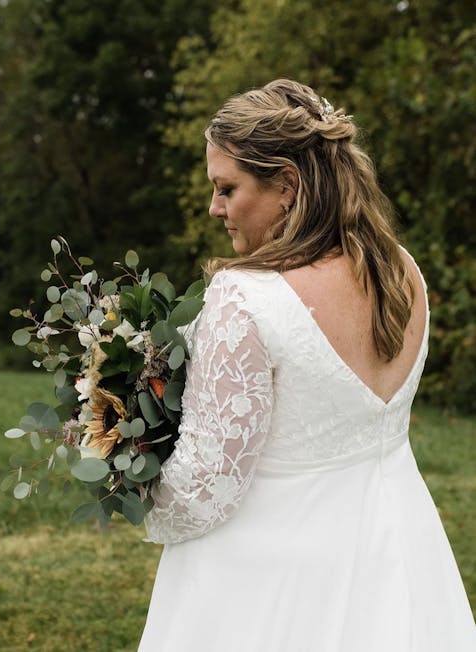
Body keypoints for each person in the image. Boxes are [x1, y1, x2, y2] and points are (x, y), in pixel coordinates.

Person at [138, 79, 476, 651]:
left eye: (227, 188)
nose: (215, 208)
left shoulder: (246, 297)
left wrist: (126, 467)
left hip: (270, 581)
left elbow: (204, 489)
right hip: (399, 554)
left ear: (288, 186)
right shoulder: (402, 272)